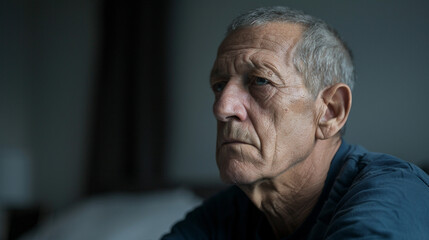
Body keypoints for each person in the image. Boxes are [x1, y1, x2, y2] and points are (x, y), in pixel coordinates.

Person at [162, 6, 429, 240]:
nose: (221, 108)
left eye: (261, 81)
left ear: (330, 112)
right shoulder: (228, 213)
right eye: (219, 86)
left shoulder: (392, 194)